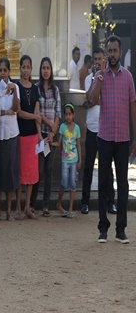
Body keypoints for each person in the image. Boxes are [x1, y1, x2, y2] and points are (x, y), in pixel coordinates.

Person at [87, 35, 136, 244]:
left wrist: (135, 137)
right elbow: (92, 99)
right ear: (107, 54)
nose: (113, 55)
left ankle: (121, 229)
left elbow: (133, 106)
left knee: (123, 184)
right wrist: (99, 75)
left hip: (123, 139)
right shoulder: (100, 76)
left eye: (116, 51)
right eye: (110, 51)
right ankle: (103, 228)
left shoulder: (128, 77)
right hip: (105, 138)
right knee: (104, 184)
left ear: (120, 52)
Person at [81, 47, 115, 215]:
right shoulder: (89, 78)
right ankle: (85, 202)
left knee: (107, 167)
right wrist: (95, 92)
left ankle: (111, 201)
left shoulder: (109, 77)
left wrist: (94, 100)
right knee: (88, 166)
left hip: (105, 128)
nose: (97, 62)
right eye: (95, 59)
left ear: (105, 60)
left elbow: (103, 99)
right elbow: (89, 97)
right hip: (91, 128)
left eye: (100, 59)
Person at [31, 57, 61, 217]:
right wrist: (50, 125)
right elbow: (38, 114)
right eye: (43, 68)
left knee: (49, 170)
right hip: (40, 134)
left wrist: (53, 132)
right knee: (39, 170)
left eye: (48, 68)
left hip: (51, 135)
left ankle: (46, 206)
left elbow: (59, 112)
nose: (45, 70)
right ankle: (32, 204)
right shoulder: (36, 89)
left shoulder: (55, 90)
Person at [16, 55, 41, 220]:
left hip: (32, 137)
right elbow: (18, 111)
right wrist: (34, 117)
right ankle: (17, 207)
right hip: (20, 135)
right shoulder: (16, 87)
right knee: (20, 173)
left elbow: (37, 113)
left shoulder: (35, 89)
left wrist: (39, 134)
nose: (26, 70)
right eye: (23, 67)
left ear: (32, 69)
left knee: (31, 174)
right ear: (20, 69)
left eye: (28, 67)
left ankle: (27, 207)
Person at [0, 58, 20, 221]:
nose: (3, 73)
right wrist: (5, 112)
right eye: (1, 70)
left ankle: (9, 211)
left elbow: (16, 109)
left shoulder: (15, 86)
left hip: (11, 133)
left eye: (5, 70)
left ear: (9, 72)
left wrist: (14, 91)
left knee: (10, 171)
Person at [57, 104, 82, 218]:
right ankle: (59, 203)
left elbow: (78, 144)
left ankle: (70, 209)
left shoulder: (77, 128)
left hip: (74, 159)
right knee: (63, 182)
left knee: (72, 184)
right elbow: (59, 142)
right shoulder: (62, 127)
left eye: (69, 114)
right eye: (66, 114)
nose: (68, 116)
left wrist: (80, 160)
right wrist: (51, 143)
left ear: (73, 115)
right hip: (65, 159)